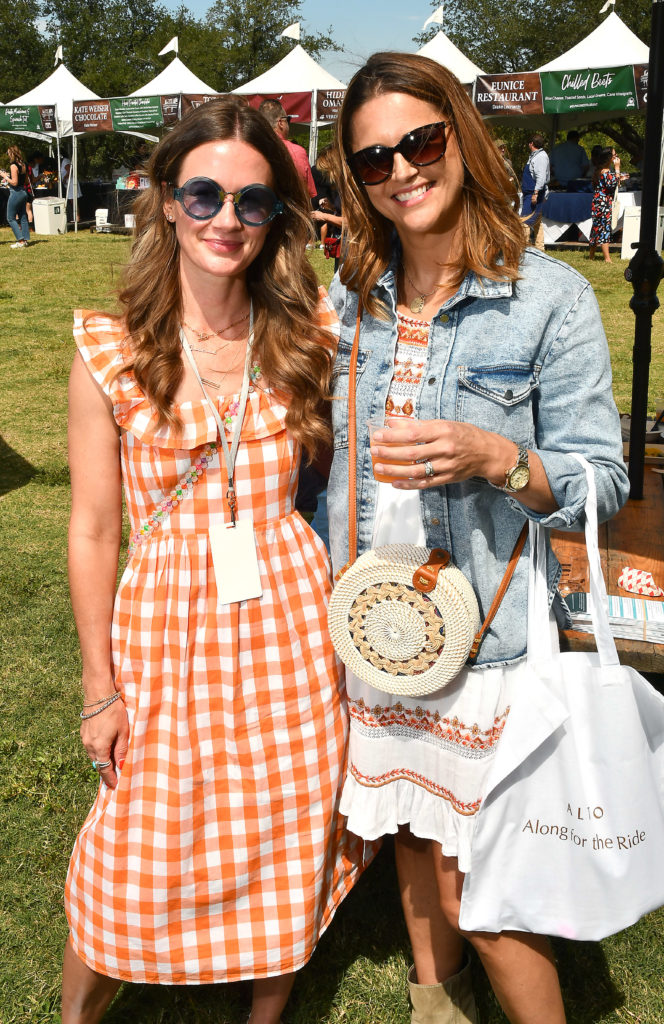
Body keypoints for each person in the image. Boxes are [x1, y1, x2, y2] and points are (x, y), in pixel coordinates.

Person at [329, 52, 629, 1024]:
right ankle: (432, 1000)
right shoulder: (346, 303)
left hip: (491, 633)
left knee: (498, 892)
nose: (403, 169)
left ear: (460, 136)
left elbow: (603, 480)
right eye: (375, 159)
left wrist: (498, 454)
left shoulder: (546, 297)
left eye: (420, 140)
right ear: (355, 177)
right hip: (379, 622)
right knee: (415, 831)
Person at [63, 96, 373, 1024]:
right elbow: (90, 529)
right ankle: (79, 1013)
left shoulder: (307, 335)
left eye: (252, 203)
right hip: (165, 620)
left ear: (277, 216)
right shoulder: (109, 350)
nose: (227, 222)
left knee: (290, 813)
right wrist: (99, 685)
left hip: (286, 612)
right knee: (140, 825)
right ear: (165, 201)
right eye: (203, 197)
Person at [258, 98, 317, 199]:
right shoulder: (298, 152)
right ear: (280, 123)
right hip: (292, 212)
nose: (288, 124)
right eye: (288, 120)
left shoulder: (252, 149)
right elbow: (309, 194)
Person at [588, 146, 629, 263]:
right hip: (604, 204)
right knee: (604, 228)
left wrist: (619, 177)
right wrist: (617, 168)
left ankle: (591, 255)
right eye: (614, 155)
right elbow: (611, 186)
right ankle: (607, 258)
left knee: (596, 228)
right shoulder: (606, 172)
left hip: (597, 203)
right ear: (608, 158)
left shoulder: (599, 170)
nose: (616, 157)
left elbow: (610, 183)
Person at [520, 131, 550, 251]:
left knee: (525, 221)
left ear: (531, 144)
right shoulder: (535, 156)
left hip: (534, 193)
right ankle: (540, 247)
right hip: (530, 193)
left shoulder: (541, 157)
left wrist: (536, 193)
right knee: (537, 221)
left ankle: (524, 248)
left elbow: (541, 177)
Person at [1, 145, 31, 248]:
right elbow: (26, 181)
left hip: (16, 192)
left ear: (12, 153)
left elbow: (14, 182)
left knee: (10, 218)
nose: (8, 155)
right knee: (23, 216)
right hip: (23, 192)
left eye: (8, 153)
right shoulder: (24, 164)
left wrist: (5, 176)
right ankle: (26, 240)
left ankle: (21, 241)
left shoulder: (13, 165)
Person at [60, 151, 82, 222]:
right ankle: (75, 217)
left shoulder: (65, 161)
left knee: (74, 201)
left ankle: (77, 217)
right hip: (69, 184)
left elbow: (69, 171)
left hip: (71, 183)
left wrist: (64, 178)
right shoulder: (64, 161)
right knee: (72, 201)